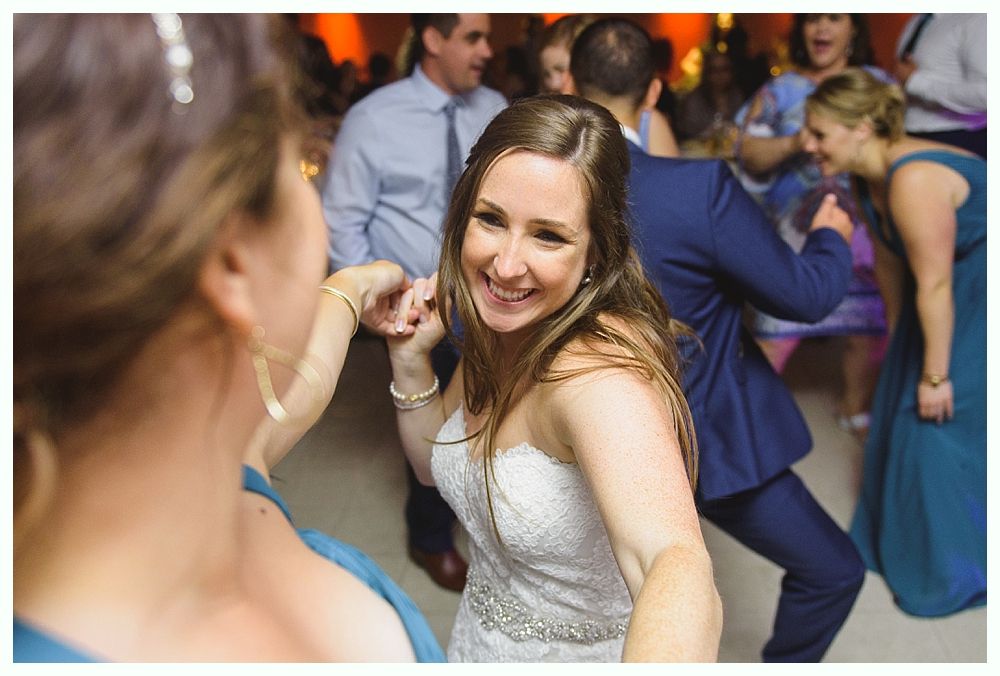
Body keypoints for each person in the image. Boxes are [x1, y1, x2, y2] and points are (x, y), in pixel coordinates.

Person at [13, 14, 444, 662]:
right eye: (301, 176)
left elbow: (305, 384)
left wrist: (356, 287)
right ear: (234, 262)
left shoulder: (201, 452)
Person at [384, 95, 723, 662]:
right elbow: (432, 467)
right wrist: (411, 358)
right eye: (491, 220)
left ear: (596, 250)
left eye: (548, 236)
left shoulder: (598, 377)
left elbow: (673, 559)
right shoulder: (507, 323)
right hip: (481, 640)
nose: (506, 265)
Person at [570, 17, 864, 662]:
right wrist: (831, 233)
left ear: (569, 82)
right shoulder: (694, 190)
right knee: (834, 569)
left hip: (571, 437)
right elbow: (805, 294)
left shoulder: (531, 184)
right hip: (699, 434)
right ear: (653, 93)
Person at [322, 13, 506, 593]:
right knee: (432, 416)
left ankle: (491, 519)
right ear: (434, 39)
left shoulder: (494, 107)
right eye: (473, 37)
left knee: (493, 407)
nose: (486, 49)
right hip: (418, 305)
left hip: (493, 292)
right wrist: (376, 306)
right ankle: (429, 536)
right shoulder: (374, 120)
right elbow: (342, 221)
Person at [804, 68, 986, 618]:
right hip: (944, 293)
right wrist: (904, 349)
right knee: (899, 406)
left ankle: (958, 567)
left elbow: (933, 282)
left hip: (977, 291)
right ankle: (912, 542)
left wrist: (933, 375)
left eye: (819, 133)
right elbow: (893, 273)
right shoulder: (866, 178)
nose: (808, 145)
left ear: (861, 128)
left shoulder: (913, 178)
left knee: (939, 422)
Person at [735, 14, 889, 440]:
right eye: (812, 19)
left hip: (862, 229)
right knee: (776, 335)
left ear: (853, 28)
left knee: (868, 329)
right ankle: (752, 428)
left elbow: (891, 147)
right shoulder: (781, 89)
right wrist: (793, 142)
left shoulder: (875, 84)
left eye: (834, 18)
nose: (822, 29)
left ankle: (855, 409)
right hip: (789, 229)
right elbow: (745, 153)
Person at [537, 14, 679, 158]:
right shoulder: (543, 117)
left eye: (562, 70)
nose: (555, 83)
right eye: (546, 74)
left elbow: (667, 173)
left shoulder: (647, 121)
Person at [893, 13, 986, 159]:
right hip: (908, 135)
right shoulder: (920, 18)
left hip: (958, 139)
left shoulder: (978, 18)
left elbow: (987, 95)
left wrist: (916, 82)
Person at [674, 47, 745, 157]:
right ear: (707, 73)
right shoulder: (694, 100)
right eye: (714, 70)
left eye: (725, 69)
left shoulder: (736, 96)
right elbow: (687, 134)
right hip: (699, 157)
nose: (720, 75)